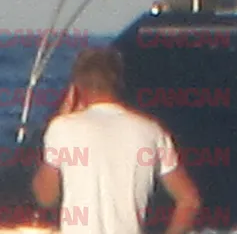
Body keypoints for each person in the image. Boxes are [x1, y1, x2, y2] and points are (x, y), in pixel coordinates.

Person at [32, 48, 201, 234]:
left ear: (76, 87)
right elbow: (189, 200)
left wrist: (60, 120)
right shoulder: (151, 131)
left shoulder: (62, 128)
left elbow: (46, 197)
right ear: (119, 83)